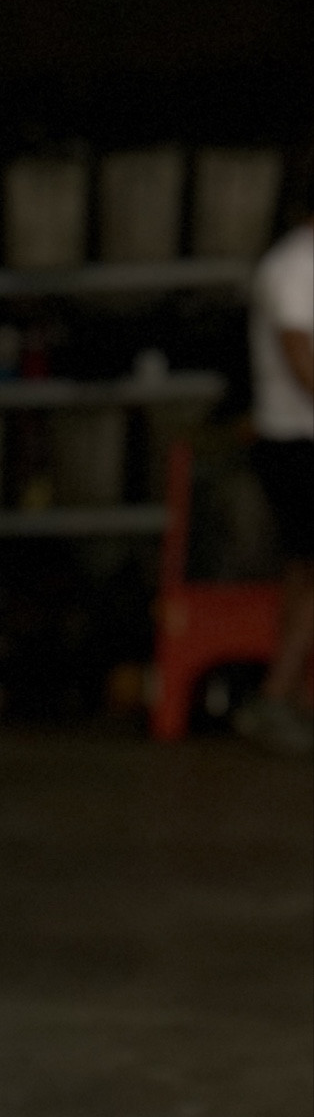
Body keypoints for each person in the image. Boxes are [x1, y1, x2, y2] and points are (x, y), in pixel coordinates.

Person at [235, 192, 313, 753]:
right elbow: (297, 351)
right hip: (295, 441)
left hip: (300, 440)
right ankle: (276, 696)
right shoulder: (293, 263)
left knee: (303, 575)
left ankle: (294, 701)